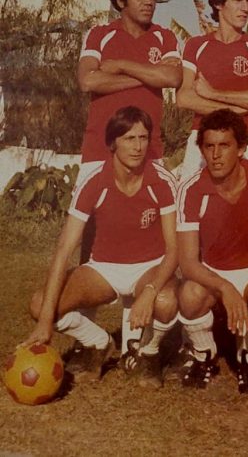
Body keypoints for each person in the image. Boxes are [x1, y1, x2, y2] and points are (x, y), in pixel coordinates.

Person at [23, 107, 180, 388]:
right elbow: (63, 248)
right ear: (112, 143)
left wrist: (150, 291)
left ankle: (148, 352)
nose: (138, 146)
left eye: (143, 138)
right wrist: (46, 321)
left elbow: (174, 250)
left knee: (166, 303)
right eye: (129, 138)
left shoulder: (162, 180)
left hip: (149, 267)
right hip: (104, 269)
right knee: (39, 304)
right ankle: (98, 342)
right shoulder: (94, 180)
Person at [77, 0, 182, 351]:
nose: (149, 2)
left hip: (148, 151)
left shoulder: (165, 36)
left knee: (148, 238)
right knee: (88, 236)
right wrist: (147, 75)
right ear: (121, 0)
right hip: (97, 150)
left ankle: (135, 336)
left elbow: (172, 79)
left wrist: (120, 67)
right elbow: (88, 81)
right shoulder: (99, 34)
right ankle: (88, 333)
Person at [176, 109, 248, 393]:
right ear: (201, 149)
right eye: (209, 146)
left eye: (225, 145)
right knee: (189, 293)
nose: (216, 155)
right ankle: (205, 355)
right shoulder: (191, 189)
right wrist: (224, 287)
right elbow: (187, 263)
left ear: (242, 148)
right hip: (214, 271)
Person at [177, 0, 248, 176]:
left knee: (246, 205)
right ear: (218, 4)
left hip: (247, 137)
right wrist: (239, 107)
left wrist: (211, 93)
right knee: (192, 203)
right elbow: (184, 97)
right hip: (202, 137)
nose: (245, 8)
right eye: (238, 0)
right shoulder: (196, 45)